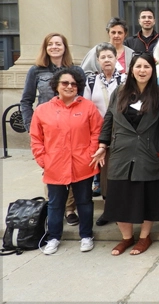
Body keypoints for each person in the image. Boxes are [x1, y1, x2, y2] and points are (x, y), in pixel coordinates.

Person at [91, 53, 159, 256]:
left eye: (147, 67)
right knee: (119, 195)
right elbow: (109, 118)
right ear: (131, 69)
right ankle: (126, 238)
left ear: (153, 70)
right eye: (138, 66)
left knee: (147, 195)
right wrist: (102, 144)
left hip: (148, 152)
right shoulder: (120, 92)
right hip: (121, 151)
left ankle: (144, 237)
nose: (142, 70)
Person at [30, 69, 104, 255]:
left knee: (84, 202)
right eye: (65, 83)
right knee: (55, 204)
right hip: (54, 165)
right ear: (56, 85)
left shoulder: (87, 107)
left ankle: (86, 235)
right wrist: (43, 159)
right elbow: (36, 138)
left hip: (82, 164)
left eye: (73, 83)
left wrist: (90, 154)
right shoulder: (42, 110)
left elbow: (97, 132)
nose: (69, 87)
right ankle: (53, 237)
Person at [20, 33, 85, 226]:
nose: (55, 47)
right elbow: (26, 101)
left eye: (59, 44)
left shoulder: (76, 71)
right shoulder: (36, 71)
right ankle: (53, 206)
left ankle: (70, 209)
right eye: (51, 44)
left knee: (72, 167)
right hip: (48, 130)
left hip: (72, 128)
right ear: (46, 47)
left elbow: (82, 101)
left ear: (65, 47)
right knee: (50, 168)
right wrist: (31, 126)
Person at [83, 43, 127, 225]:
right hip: (99, 133)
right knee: (104, 174)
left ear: (116, 59)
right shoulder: (91, 81)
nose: (107, 60)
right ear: (98, 60)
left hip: (121, 133)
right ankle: (108, 210)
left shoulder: (124, 80)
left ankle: (122, 210)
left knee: (119, 172)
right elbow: (86, 107)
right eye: (103, 57)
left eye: (110, 56)